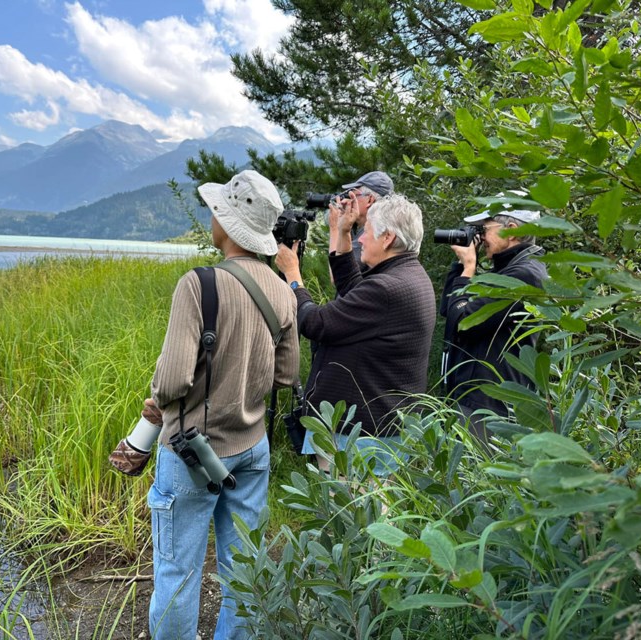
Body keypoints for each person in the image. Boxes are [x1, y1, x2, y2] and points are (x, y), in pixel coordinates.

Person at [143, 169, 300, 640]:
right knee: (244, 572)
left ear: (226, 225)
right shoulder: (280, 290)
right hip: (253, 448)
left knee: (178, 573)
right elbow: (287, 376)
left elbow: (171, 380)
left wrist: (155, 399)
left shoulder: (198, 284)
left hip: (192, 451)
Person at [276, 193, 436, 475]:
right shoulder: (409, 275)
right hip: (381, 427)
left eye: (367, 232)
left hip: (361, 437)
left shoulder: (387, 289)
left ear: (387, 238)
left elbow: (315, 323)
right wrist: (342, 232)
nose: (362, 240)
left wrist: (293, 275)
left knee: (352, 514)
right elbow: (353, 286)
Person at [440, 206, 550, 441]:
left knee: (474, 473)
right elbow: (449, 312)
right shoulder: (508, 271)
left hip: (489, 405)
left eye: (485, 229)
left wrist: (469, 268)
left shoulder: (523, 276)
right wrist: (460, 267)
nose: (480, 237)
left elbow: (462, 321)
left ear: (511, 232)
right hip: (474, 397)